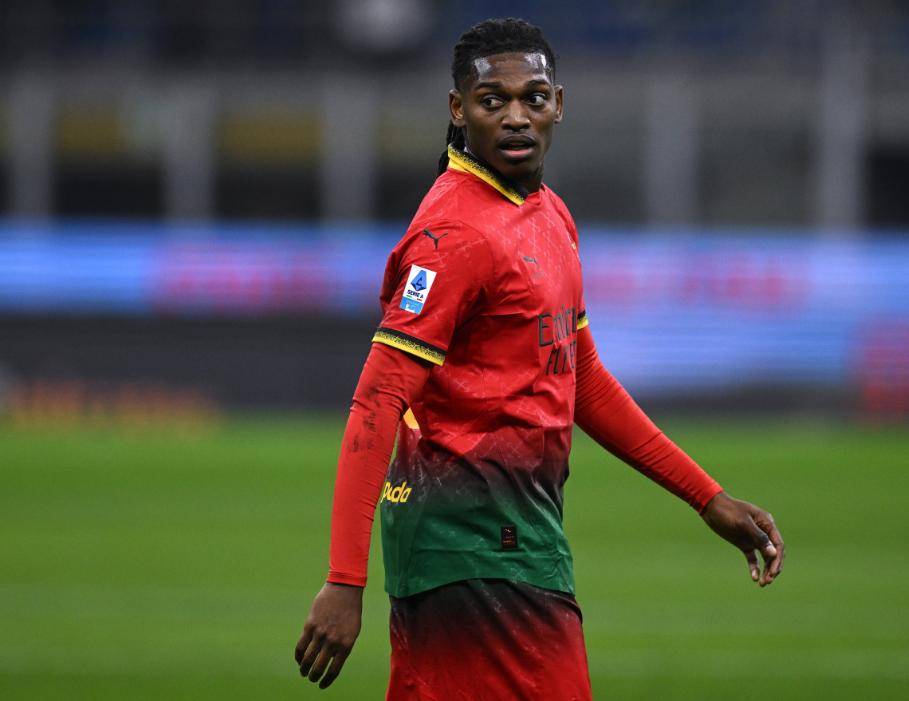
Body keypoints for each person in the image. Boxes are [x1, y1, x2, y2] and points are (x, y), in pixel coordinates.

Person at [295, 17, 785, 700]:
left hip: (515, 539)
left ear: (559, 103)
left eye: (533, 97)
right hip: (472, 548)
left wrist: (705, 496)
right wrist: (344, 579)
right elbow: (377, 400)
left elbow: (583, 381)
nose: (516, 116)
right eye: (492, 100)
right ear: (457, 109)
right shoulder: (454, 234)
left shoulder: (549, 215)